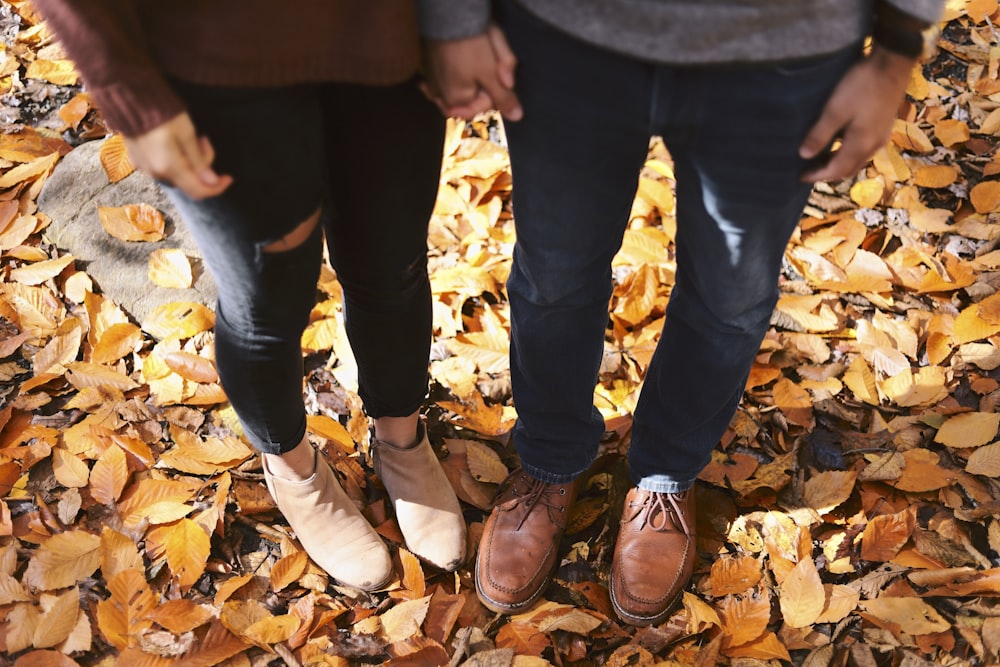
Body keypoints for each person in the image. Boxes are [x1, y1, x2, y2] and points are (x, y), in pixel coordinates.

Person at [419, 0, 944, 625]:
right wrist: (455, 18)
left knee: (731, 296)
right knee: (555, 274)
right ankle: (549, 460)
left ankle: (665, 474)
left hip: (780, 49)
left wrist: (896, 48)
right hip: (568, 33)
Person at [33, 0, 466, 590]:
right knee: (267, 301)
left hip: (388, 34)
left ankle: (401, 435)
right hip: (218, 57)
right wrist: (127, 87)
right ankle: (293, 470)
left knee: (394, 265)